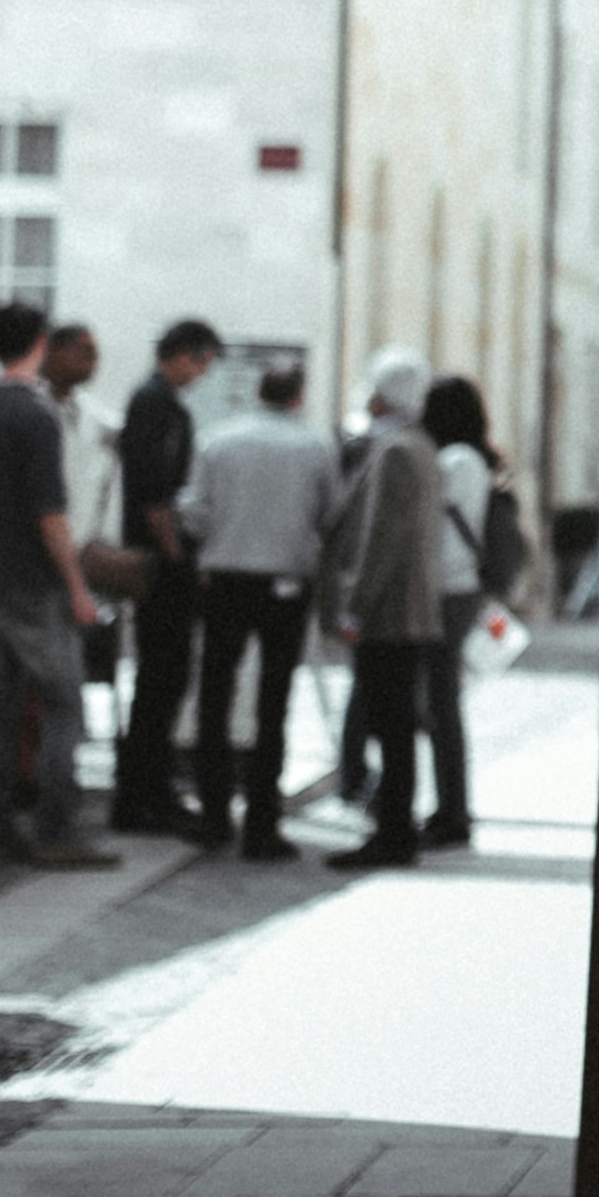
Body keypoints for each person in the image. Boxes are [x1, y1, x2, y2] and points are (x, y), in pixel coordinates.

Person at [0, 300, 114, 872]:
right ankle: (54, 827)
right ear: (41, 343)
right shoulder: (36, 415)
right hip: (34, 581)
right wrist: (77, 587)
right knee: (65, 702)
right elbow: (50, 513)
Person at [179, 354, 341, 859]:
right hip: (285, 580)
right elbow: (330, 514)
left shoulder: (219, 439)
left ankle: (212, 815)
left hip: (225, 576)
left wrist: (221, 535)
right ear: (298, 395)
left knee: (215, 696)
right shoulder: (315, 447)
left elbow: (194, 511)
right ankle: (261, 823)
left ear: (258, 391)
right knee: (274, 703)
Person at [320, 347, 445, 871]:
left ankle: (392, 830)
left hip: (390, 613)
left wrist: (355, 605)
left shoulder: (394, 450)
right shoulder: (417, 446)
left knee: (389, 724)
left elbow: (381, 539)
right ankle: (395, 826)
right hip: (408, 608)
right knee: (395, 725)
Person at [111, 317, 222, 836]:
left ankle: (147, 789)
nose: (202, 374)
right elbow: (155, 493)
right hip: (161, 562)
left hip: (161, 557)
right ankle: (141, 793)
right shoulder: (154, 404)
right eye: (201, 362)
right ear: (184, 355)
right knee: (161, 678)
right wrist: (179, 556)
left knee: (164, 680)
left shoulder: (158, 402)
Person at [417, 372, 499, 852]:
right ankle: (450, 807)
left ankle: (453, 811)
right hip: (458, 588)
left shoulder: (453, 461)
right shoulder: (473, 458)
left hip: (447, 590)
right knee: (441, 702)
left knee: (441, 705)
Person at [42, 321, 125, 697]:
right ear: (54, 352)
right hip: (34, 557)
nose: (94, 362)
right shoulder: (29, 407)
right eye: (85, 351)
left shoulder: (95, 418)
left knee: (65, 677)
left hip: (76, 554)